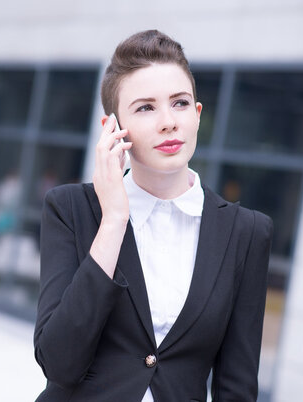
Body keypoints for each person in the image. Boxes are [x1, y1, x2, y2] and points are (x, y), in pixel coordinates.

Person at [34, 29, 273, 402]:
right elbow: (59, 362)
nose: (168, 122)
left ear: (196, 115)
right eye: (146, 107)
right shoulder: (71, 210)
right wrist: (113, 220)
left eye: (179, 103)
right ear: (112, 128)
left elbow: (237, 386)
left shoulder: (246, 232)